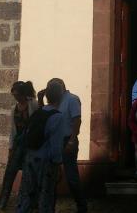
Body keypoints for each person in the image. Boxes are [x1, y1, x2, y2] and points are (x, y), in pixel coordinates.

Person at [0, 81, 39, 213]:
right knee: (9, 173)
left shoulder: (33, 104)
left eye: (17, 95)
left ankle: (30, 204)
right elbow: (13, 130)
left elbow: (38, 123)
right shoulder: (14, 108)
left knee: (29, 175)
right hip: (18, 144)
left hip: (30, 144)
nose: (16, 97)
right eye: (14, 95)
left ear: (23, 94)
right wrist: (10, 148)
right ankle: (1, 205)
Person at [16, 84, 64, 213]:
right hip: (45, 161)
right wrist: (58, 162)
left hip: (30, 157)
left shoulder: (38, 113)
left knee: (25, 194)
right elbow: (56, 144)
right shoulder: (57, 116)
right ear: (61, 97)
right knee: (45, 196)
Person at [45, 78, 87, 213]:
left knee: (71, 177)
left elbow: (77, 120)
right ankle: (50, 205)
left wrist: (72, 140)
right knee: (52, 176)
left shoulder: (72, 99)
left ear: (61, 87)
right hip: (54, 142)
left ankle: (81, 205)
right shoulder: (56, 101)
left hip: (67, 139)